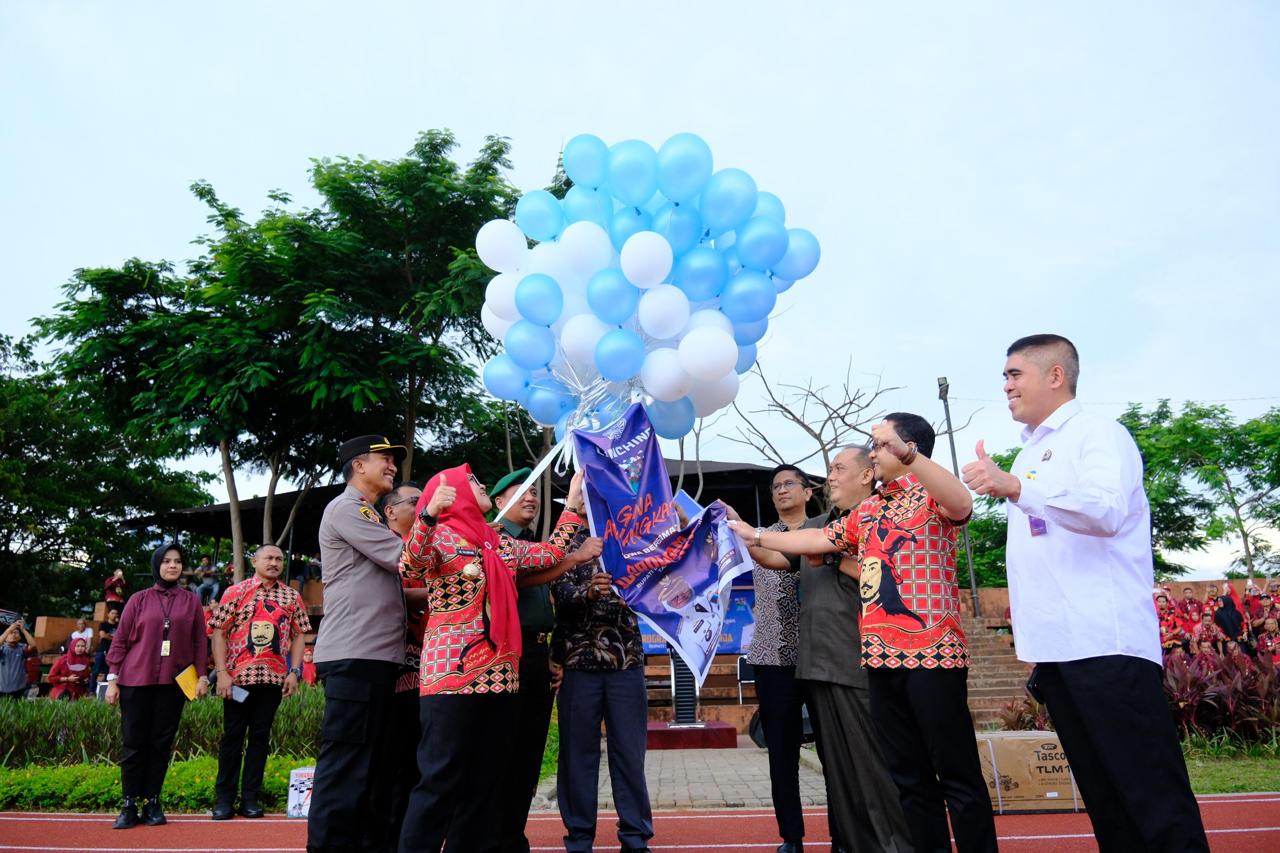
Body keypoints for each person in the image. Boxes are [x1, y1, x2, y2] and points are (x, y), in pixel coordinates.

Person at [962, 333, 1209, 852]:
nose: (1005, 386)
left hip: (1106, 645)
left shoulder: (1096, 432)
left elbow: (1106, 510)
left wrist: (1016, 488)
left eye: (1014, 374)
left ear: (1055, 375)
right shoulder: (1034, 450)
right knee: (1107, 801)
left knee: (1149, 795)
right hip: (1059, 653)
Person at [739, 416, 997, 853]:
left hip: (933, 656)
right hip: (879, 661)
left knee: (957, 777)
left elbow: (961, 503)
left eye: (880, 444)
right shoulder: (870, 510)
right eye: (873, 446)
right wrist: (753, 533)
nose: (873, 452)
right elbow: (820, 538)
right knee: (910, 778)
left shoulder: (932, 495)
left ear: (908, 446)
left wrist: (911, 458)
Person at [398, 464, 595, 853]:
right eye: (474, 479)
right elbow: (410, 565)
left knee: (485, 783)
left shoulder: (497, 543)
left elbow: (551, 552)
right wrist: (427, 515)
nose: (483, 482)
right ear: (450, 491)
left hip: (502, 677)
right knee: (439, 780)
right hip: (451, 678)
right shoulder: (439, 537)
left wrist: (572, 505)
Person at [757, 450, 912, 853]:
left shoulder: (880, 516)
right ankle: (848, 841)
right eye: (829, 471)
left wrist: (835, 557)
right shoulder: (817, 526)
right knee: (842, 772)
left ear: (867, 474)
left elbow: (893, 578)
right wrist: (738, 532)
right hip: (815, 661)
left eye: (838, 469)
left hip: (857, 661)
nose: (830, 478)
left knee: (870, 766)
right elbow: (778, 557)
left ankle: (891, 844)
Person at [307, 435, 416, 853]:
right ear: (358, 465)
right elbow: (403, 559)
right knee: (346, 765)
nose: (391, 465)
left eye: (392, 459)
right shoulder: (346, 509)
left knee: (371, 764)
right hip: (356, 656)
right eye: (384, 458)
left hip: (375, 657)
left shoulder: (366, 511)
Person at [551, 528, 653, 853]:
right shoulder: (566, 538)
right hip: (578, 661)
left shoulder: (633, 536)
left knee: (629, 753)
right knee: (578, 754)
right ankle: (579, 838)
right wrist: (590, 593)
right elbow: (559, 593)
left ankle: (635, 837)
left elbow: (658, 584)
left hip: (627, 660)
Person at [104, 542, 210, 829]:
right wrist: (112, 680)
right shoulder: (138, 599)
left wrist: (202, 676)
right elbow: (121, 639)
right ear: (157, 565)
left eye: (177, 561)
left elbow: (200, 641)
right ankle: (129, 804)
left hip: (172, 683)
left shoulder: (190, 601)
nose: (172, 566)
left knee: (160, 744)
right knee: (133, 743)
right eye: (166, 561)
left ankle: (152, 801)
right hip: (135, 681)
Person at [208, 544, 310, 820]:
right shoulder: (236, 592)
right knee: (232, 738)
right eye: (269, 558)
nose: (274, 563)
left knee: (260, 739)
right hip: (237, 679)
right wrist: (221, 673)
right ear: (255, 561)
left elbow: (300, 634)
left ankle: (250, 798)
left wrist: (295, 671)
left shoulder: (291, 596)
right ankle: (224, 799)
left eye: (279, 558)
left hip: (274, 679)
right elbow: (218, 632)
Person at [489, 468, 560, 853]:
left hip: (536, 653)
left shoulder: (532, 542)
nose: (531, 498)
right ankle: (496, 836)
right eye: (520, 493)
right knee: (505, 748)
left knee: (529, 752)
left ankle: (512, 836)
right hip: (506, 655)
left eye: (534, 493)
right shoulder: (495, 540)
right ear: (499, 503)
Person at [375, 479, 425, 848]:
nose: (423, 508)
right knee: (391, 764)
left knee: (418, 765)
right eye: (414, 502)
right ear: (390, 510)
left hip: (433, 674)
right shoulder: (380, 547)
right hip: (392, 671)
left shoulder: (429, 548)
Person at [0, 619, 37, 700]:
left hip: (18, 689)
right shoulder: (2, 648)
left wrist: (23, 629)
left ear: (20, 637)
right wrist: (9, 629)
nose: (13, 634)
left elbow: (33, 645)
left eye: (16, 633)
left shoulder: (22, 648)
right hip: (1, 688)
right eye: (11, 633)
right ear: (6, 637)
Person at [92, 607, 121, 688]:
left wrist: (108, 636)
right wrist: (114, 638)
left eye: (116, 613)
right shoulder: (103, 624)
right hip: (102, 650)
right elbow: (102, 635)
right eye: (112, 613)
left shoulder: (119, 625)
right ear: (108, 614)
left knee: (109, 672)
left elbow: (121, 637)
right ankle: (91, 690)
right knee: (96, 670)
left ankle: (105, 689)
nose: (114, 615)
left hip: (113, 651)